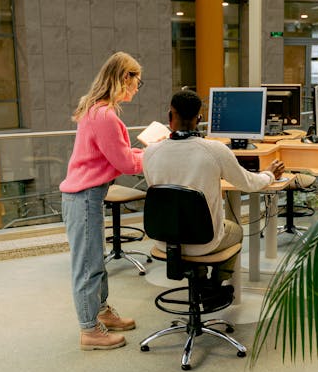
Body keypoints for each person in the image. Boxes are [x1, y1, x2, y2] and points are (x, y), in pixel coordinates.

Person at [143, 89, 285, 306]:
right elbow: (248, 183)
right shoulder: (215, 150)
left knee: (189, 224)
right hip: (205, 242)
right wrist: (269, 174)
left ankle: (199, 281)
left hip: (164, 242)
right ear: (199, 119)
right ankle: (215, 285)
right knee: (235, 230)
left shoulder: (150, 153)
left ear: (169, 117)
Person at [60, 51, 144, 351]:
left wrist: (150, 153)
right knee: (87, 265)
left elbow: (118, 157)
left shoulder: (97, 109)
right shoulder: (104, 116)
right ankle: (89, 331)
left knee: (95, 260)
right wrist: (157, 153)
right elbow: (126, 164)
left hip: (86, 196)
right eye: (137, 81)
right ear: (125, 78)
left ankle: (102, 311)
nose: (137, 87)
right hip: (83, 197)